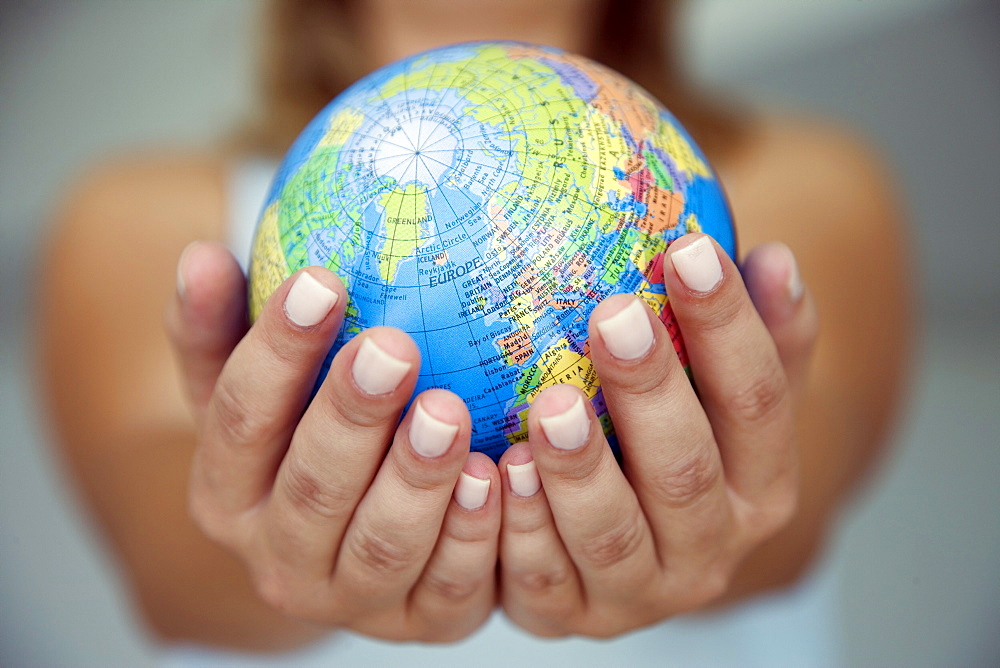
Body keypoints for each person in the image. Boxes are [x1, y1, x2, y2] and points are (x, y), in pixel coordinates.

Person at [39, 0, 911, 662]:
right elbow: (166, 574)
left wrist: (738, 524)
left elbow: (805, 496)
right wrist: (265, 553)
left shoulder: (810, 184)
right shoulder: (133, 218)